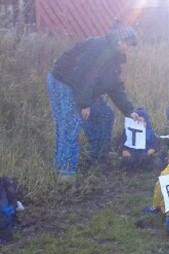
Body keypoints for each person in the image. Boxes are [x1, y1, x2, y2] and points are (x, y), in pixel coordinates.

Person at [47, 22, 142, 180]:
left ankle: (98, 155)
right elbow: (83, 74)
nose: (128, 48)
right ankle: (65, 172)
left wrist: (129, 111)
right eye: (128, 44)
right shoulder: (98, 48)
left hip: (82, 88)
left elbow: (115, 85)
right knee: (70, 124)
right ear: (119, 41)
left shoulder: (115, 56)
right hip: (63, 83)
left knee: (106, 115)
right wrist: (85, 103)